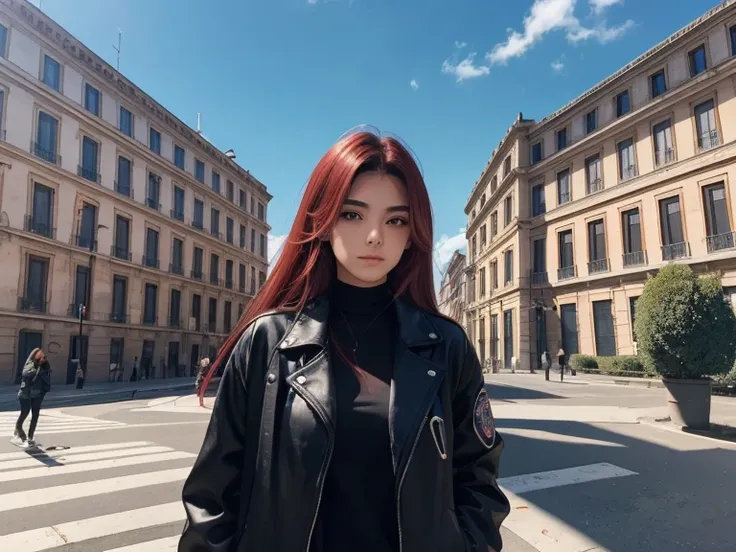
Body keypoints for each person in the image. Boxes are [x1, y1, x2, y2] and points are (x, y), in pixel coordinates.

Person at [179, 129, 510, 552]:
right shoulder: (268, 342)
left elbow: (479, 481)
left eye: (395, 219)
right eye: (353, 214)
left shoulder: (447, 347)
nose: (375, 236)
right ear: (323, 219)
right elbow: (211, 501)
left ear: (413, 232)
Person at [14, 348, 52, 447]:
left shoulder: (45, 368)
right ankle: (19, 431)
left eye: (44, 357)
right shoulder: (29, 365)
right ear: (36, 356)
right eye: (40, 356)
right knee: (24, 413)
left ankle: (30, 437)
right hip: (25, 394)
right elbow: (25, 374)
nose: (43, 358)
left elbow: (47, 382)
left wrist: (44, 392)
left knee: (35, 416)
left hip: (37, 395)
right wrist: (37, 369)